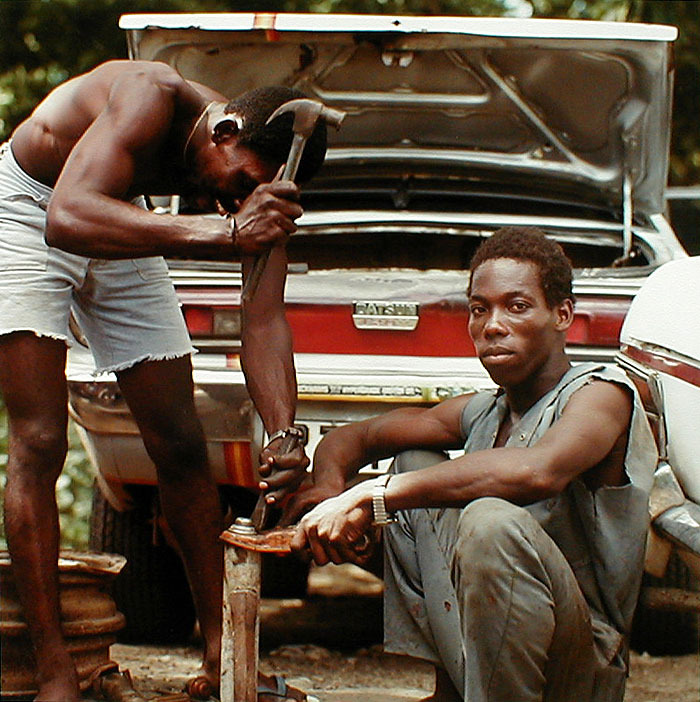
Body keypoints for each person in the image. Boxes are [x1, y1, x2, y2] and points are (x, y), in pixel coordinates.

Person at [0, 60, 326, 702]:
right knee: (39, 442)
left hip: (119, 211)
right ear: (225, 132)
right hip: (30, 208)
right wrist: (227, 231)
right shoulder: (150, 94)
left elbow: (263, 320)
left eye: (251, 197)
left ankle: (220, 657)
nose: (237, 199)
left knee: (180, 443)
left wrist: (285, 432)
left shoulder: (255, 193)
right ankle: (55, 672)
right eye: (239, 183)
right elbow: (66, 216)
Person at [289, 226, 657, 702]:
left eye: (517, 306)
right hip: (484, 661)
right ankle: (449, 691)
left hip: (576, 669)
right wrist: (329, 490)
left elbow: (536, 471)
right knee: (413, 461)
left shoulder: (601, 395)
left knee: (487, 520)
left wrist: (371, 495)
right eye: (479, 309)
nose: (492, 325)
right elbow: (354, 437)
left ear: (562, 314)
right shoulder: (486, 410)